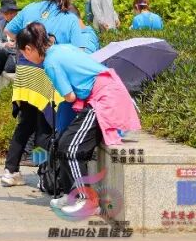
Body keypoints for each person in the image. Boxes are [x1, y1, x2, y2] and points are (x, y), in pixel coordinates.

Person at [16, 21, 141, 215]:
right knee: (63, 144)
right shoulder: (61, 48)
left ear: (29, 49)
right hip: (104, 94)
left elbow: (70, 97)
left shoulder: (50, 63)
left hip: (103, 100)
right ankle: (71, 194)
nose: (25, 57)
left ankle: (88, 201)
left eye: (23, 53)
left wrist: (59, 89)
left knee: (70, 149)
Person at [2, 0, 87, 186]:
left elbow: (9, 30)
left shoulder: (31, 8)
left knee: (25, 123)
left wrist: (26, 48)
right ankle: (44, 175)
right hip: (50, 74)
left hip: (25, 72)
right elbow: (80, 50)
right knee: (45, 127)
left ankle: (10, 170)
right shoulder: (70, 18)